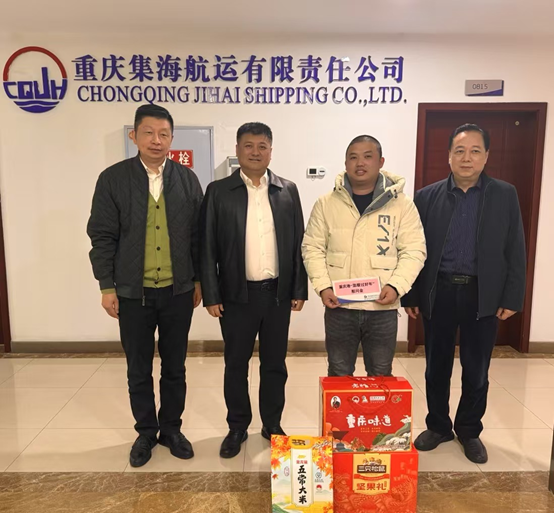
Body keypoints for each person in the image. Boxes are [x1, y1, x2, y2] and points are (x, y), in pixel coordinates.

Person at [402, 123, 526, 464]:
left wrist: (512, 297)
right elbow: (412, 249)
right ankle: (438, 426)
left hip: (482, 294)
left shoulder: (505, 194)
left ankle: (469, 430)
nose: (466, 158)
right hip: (438, 291)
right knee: (436, 366)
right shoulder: (426, 197)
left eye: (474, 151)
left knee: (477, 368)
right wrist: (411, 294)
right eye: (459, 151)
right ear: (449, 156)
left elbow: (515, 248)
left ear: (486, 156)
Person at [87, 104, 203, 468]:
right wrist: (107, 286)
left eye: (163, 134)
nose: (156, 140)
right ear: (134, 136)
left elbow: (198, 237)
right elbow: (102, 236)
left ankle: (171, 429)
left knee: (175, 366)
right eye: (149, 133)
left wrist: (198, 279)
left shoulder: (186, 179)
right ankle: (146, 432)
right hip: (131, 293)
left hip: (177, 291)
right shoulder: (113, 179)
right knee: (138, 367)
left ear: (172, 139)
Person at [199, 122, 308, 459]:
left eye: (262, 146)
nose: (256, 152)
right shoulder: (218, 191)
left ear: (271, 151)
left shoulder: (287, 190)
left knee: (275, 363)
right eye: (249, 146)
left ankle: (272, 424)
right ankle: (237, 427)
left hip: (277, 294)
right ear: (237, 150)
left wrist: (298, 288)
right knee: (236, 364)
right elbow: (206, 246)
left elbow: (298, 243)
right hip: (236, 295)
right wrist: (212, 294)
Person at [302, 135, 426, 377]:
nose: (360, 163)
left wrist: (396, 286)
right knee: (339, 373)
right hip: (339, 306)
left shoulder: (401, 205)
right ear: (345, 163)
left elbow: (414, 250)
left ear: (381, 162)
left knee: (381, 374)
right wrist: (323, 286)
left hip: (382, 308)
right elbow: (312, 248)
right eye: (353, 157)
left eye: (368, 156)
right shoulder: (326, 204)